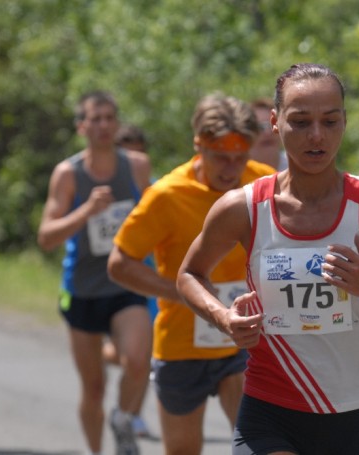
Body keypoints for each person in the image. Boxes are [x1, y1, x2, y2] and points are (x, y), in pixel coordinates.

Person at [176, 63, 359, 455]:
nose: (317, 136)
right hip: (269, 408)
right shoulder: (243, 207)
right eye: (300, 122)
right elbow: (189, 275)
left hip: (351, 411)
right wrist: (224, 318)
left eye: (330, 121)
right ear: (275, 122)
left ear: (344, 122)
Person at [107, 93, 275, 455]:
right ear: (199, 146)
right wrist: (184, 292)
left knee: (259, 446)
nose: (232, 168)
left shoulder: (264, 184)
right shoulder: (168, 195)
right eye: (221, 157)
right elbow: (120, 263)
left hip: (245, 341)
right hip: (183, 344)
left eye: (240, 157)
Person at [37, 91, 152, 455]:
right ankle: (95, 450)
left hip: (125, 281)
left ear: (117, 124)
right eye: (95, 118)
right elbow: (46, 237)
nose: (103, 125)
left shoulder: (136, 166)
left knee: (139, 361)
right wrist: (86, 210)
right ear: (81, 127)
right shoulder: (68, 174)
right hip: (83, 289)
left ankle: (123, 418)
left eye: (109, 117)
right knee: (94, 388)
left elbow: (155, 216)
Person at [96, 123, 156, 439]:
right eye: (126, 155)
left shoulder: (156, 189)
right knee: (130, 353)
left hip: (146, 280)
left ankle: (133, 414)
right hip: (107, 282)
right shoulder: (101, 190)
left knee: (143, 353)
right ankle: (97, 352)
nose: (133, 161)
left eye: (138, 154)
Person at [249, 97, 288, 171]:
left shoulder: (298, 164)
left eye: (273, 125)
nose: (268, 132)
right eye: (260, 127)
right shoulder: (238, 169)